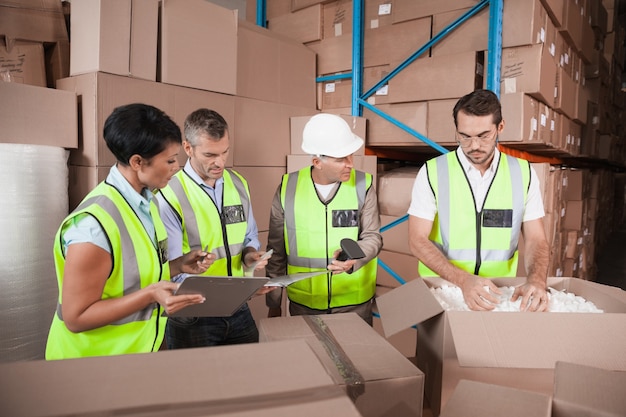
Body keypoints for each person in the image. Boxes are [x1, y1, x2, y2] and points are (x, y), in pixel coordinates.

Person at [46, 103, 212, 360]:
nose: (177, 166)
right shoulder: (93, 227)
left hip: (135, 357)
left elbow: (131, 276)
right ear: (137, 162)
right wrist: (149, 296)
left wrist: (178, 265)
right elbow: (76, 317)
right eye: (169, 160)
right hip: (90, 366)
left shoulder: (148, 203)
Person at [407, 89, 550, 312]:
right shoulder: (433, 172)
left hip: (499, 296)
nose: (474, 146)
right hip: (444, 293)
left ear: (500, 127)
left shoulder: (523, 173)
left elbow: (536, 239)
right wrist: (463, 280)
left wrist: (537, 280)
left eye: (483, 135)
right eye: (465, 136)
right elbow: (417, 239)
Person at [157, 108, 273, 348]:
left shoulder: (238, 183)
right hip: (193, 314)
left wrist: (251, 256)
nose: (220, 162)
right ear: (188, 148)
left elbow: (249, 236)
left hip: (237, 308)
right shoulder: (170, 193)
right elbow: (171, 267)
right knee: (197, 384)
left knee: (251, 379)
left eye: (225, 152)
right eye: (210, 154)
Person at [265, 113, 383, 325]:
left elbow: (373, 237)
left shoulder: (363, 185)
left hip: (354, 302)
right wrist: (274, 303)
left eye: (351, 156)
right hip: (304, 304)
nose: (350, 164)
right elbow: (276, 249)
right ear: (317, 162)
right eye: (341, 159)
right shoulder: (288, 188)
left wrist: (355, 259)